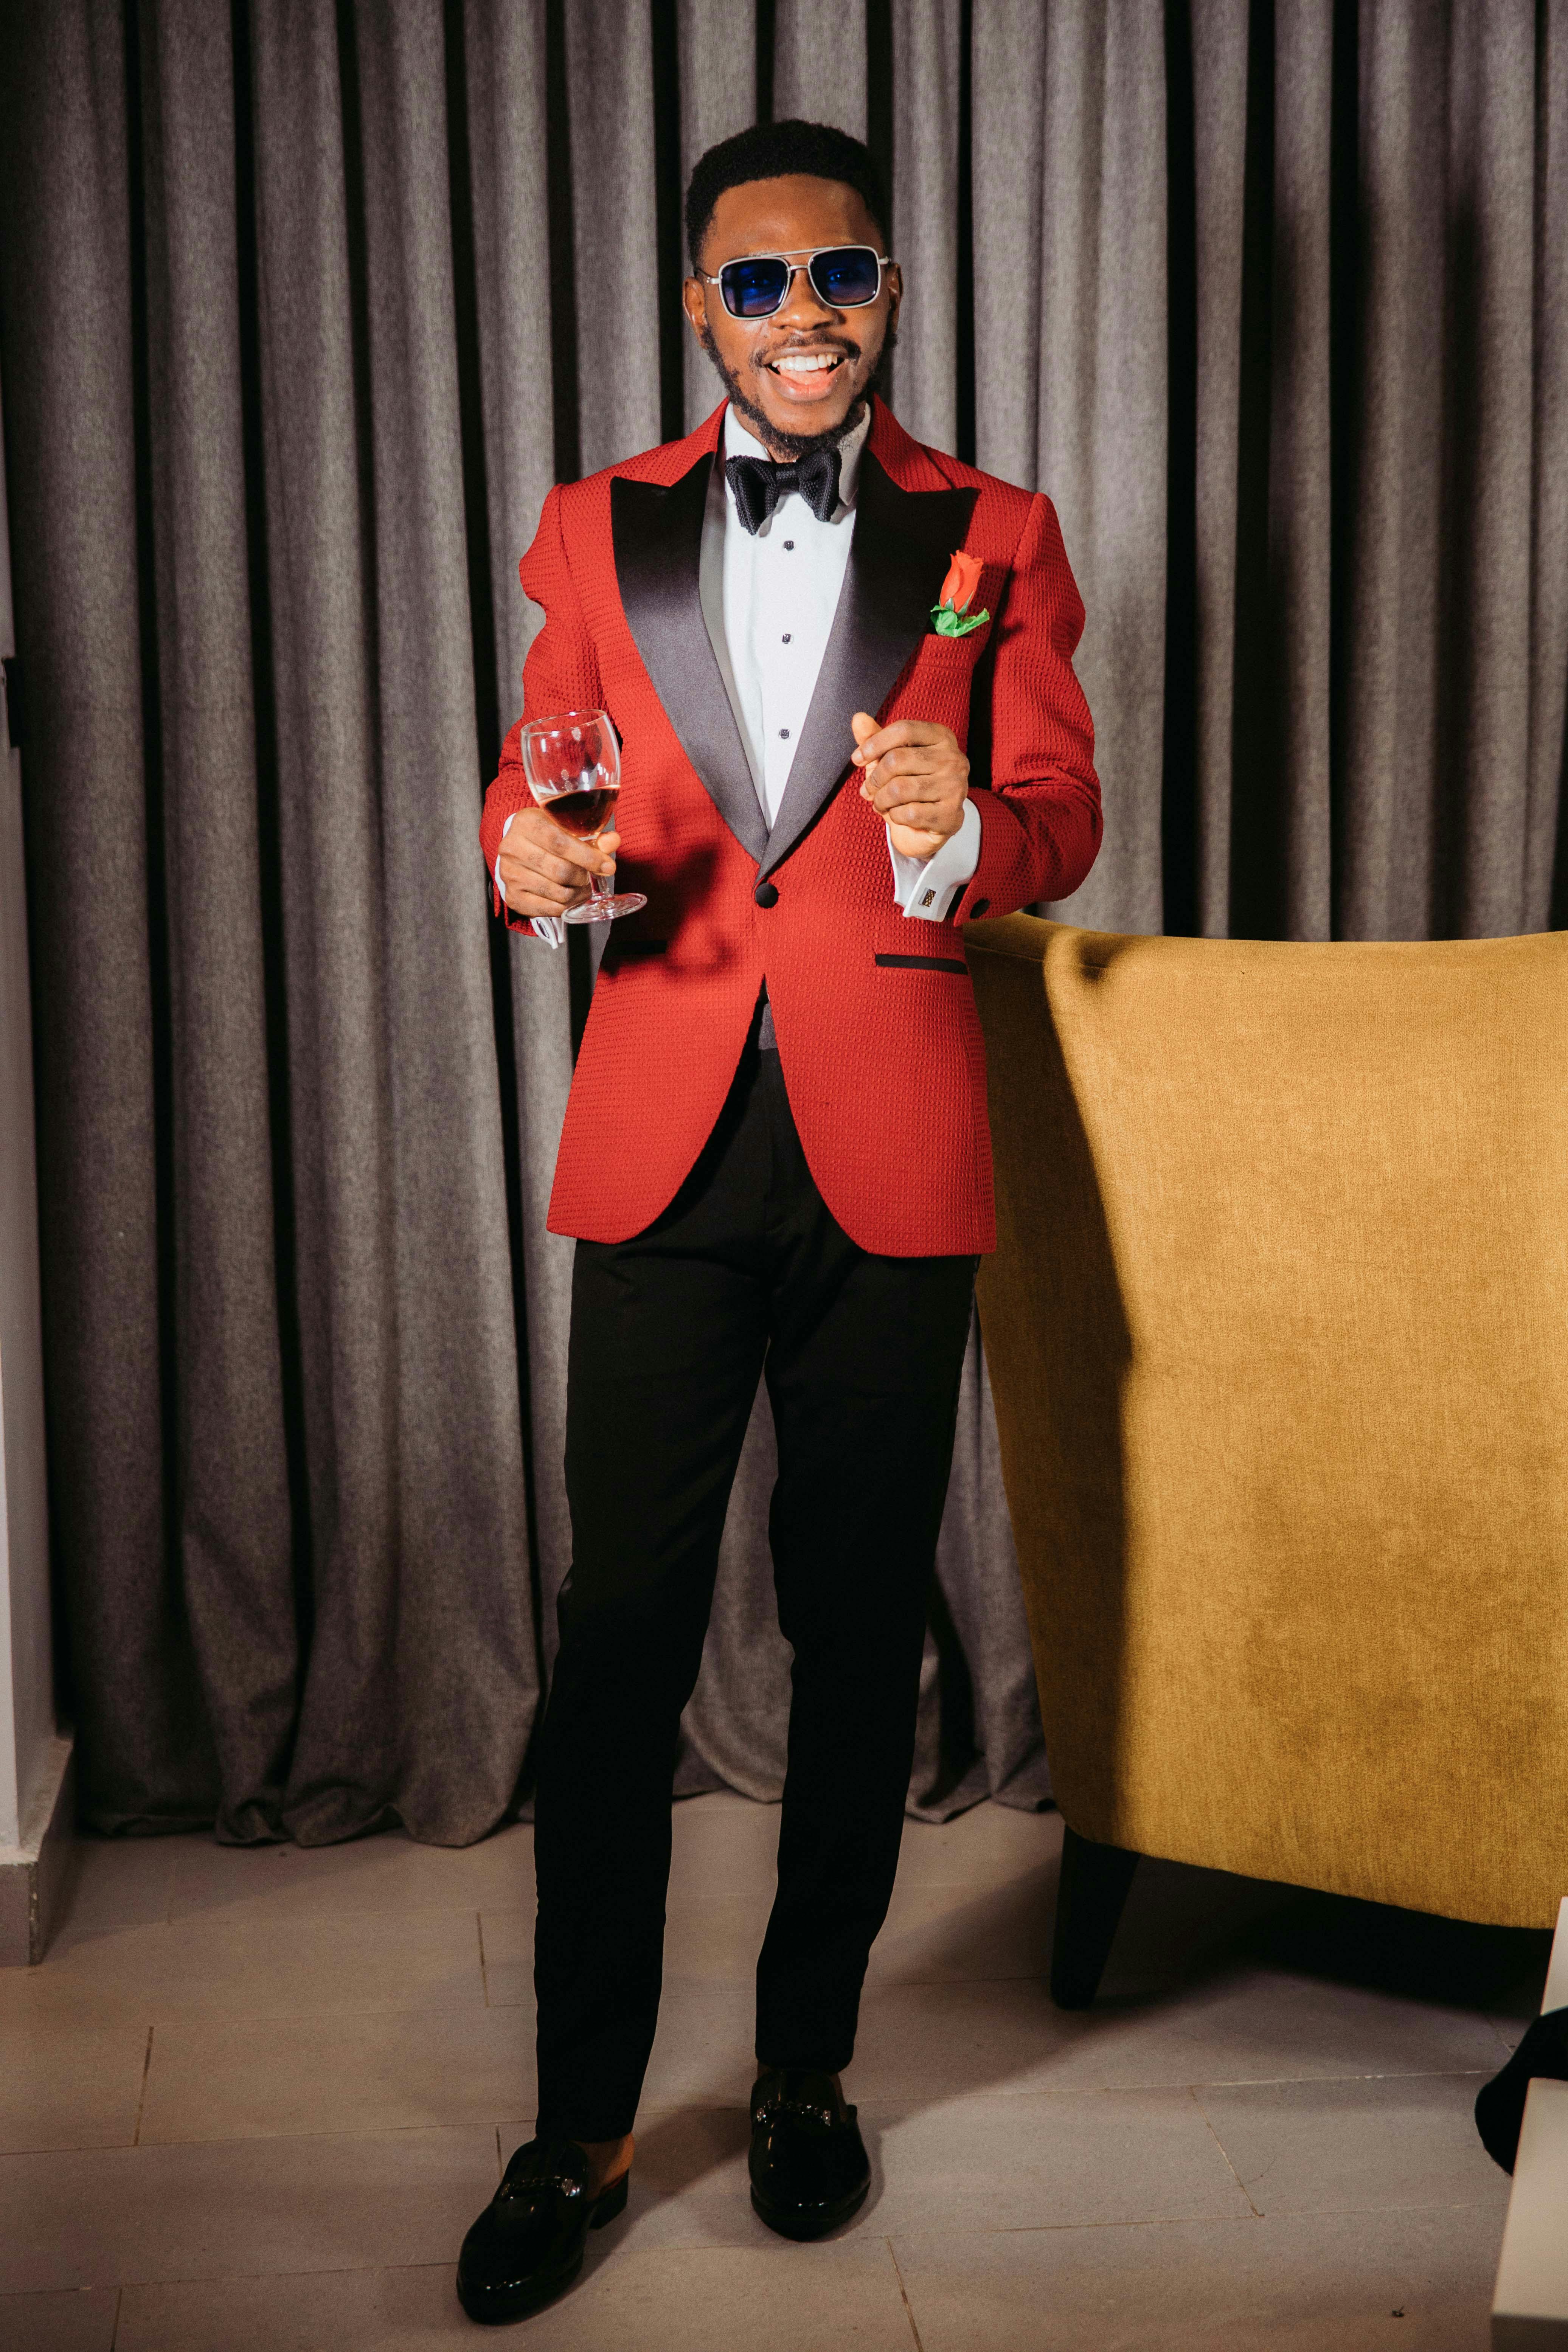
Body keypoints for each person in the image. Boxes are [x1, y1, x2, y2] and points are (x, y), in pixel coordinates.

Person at [456, 117, 1101, 2326]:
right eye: (758, 281)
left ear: (890, 291)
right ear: (696, 308)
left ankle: (809, 2074)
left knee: (852, 1639)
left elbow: (1060, 812)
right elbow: (545, 758)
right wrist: (523, 858)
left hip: (889, 1140)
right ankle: (578, 2128)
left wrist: (963, 830)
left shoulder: (990, 532)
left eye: (840, 273)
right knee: (618, 1638)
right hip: (661, 1130)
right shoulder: (593, 520)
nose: (801, 313)